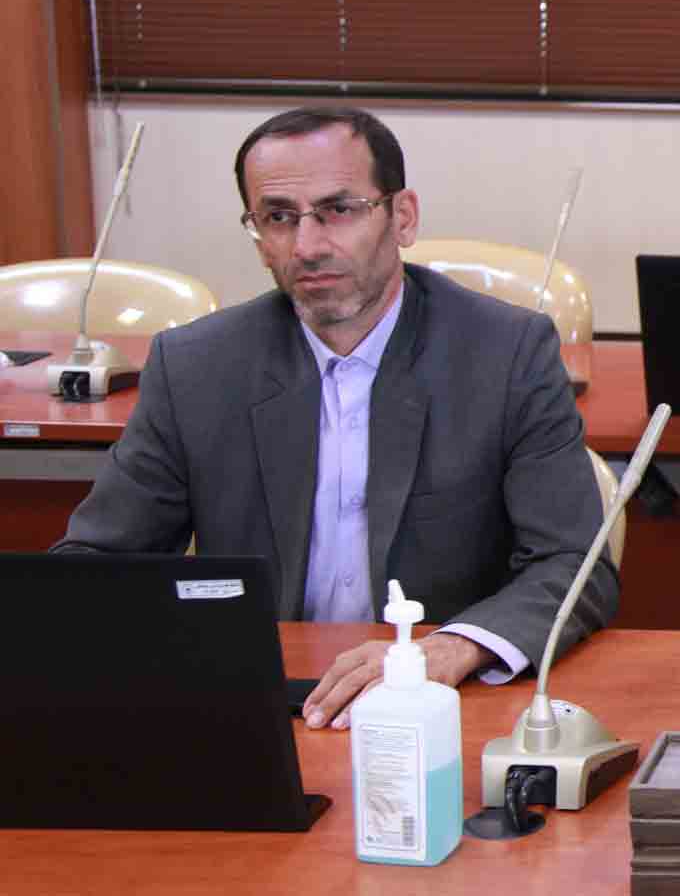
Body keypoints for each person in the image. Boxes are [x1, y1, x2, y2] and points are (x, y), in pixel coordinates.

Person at [54, 106, 617, 727]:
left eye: (339, 209)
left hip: (444, 706)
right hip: (263, 700)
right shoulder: (196, 367)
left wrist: (449, 649)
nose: (308, 246)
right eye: (278, 218)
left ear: (402, 217)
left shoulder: (506, 354)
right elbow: (99, 563)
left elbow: (574, 564)